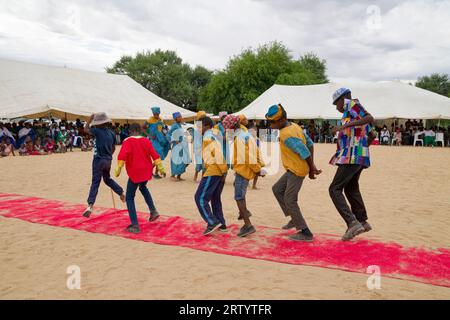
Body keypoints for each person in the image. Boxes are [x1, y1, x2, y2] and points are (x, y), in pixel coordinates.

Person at [266, 104, 322, 242]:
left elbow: (304, 151)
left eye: (273, 122)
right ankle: (293, 218)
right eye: (270, 122)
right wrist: (312, 165)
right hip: (294, 168)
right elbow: (309, 144)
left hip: (297, 170)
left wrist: (311, 170)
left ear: (282, 119)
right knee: (277, 189)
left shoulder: (286, 134)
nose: (271, 125)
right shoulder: (295, 126)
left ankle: (305, 232)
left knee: (290, 199)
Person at [329, 88, 374, 241]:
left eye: (336, 104)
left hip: (352, 155)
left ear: (343, 99)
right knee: (351, 187)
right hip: (357, 155)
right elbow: (372, 134)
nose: (337, 107)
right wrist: (363, 148)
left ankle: (352, 223)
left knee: (334, 189)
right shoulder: (350, 113)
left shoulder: (351, 104)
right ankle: (362, 221)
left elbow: (370, 118)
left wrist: (343, 128)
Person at [115, 123, 166, 233]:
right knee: (143, 188)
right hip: (146, 171)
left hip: (135, 172)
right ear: (140, 131)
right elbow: (155, 155)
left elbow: (122, 156)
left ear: (131, 131)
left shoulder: (127, 141)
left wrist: (118, 169)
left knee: (129, 197)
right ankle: (153, 211)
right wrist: (161, 168)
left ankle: (135, 225)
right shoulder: (146, 140)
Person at [222, 115, 265, 237]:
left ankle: (248, 225)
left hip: (243, 170)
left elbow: (247, 157)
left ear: (231, 127)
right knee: (239, 192)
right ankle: (244, 212)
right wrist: (260, 165)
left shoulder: (239, 138)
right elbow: (255, 150)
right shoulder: (246, 134)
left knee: (238, 197)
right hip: (243, 170)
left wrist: (257, 170)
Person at [82, 113, 125, 218]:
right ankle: (121, 193)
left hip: (98, 160)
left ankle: (90, 205)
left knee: (95, 182)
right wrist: (109, 156)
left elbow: (85, 129)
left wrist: (90, 119)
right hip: (108, 160)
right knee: (107, 179)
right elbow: (114, 148)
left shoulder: (96, 131)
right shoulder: (111, 133)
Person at [194, 116, 228, 235]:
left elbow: (217, 154)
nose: (199, 129)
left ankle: (212, 221)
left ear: (207, 126)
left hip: (214, 170)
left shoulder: (208, 137)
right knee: (215, 198)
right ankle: (221, 223)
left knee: (200, 198)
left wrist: (223, 170)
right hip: (217, 169)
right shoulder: (213, 135)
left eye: (200, 126)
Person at [145, 106, 170, 179]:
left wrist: (165, 135)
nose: (156, 115)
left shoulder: (161, 119)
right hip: (154, 140)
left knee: (159, 156)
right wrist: (149, 135)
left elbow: (162, 129)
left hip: (161, 139)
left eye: (157, 114)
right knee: (158, 156)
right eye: (155, 114)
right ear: (153, 113)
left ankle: (156, 172)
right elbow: (143, 128)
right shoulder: (149, 120)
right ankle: (149, 171)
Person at [167, 112, 191, 181]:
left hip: (182, 145)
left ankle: (179, 175)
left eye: (180, 116)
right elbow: (168, 134)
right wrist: (174, 140)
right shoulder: (174, 125)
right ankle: (173, 175)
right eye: (179, 117)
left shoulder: (179, 125)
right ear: (175, 118)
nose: (180, 118)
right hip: (176, 146)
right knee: (176, 160)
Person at [193, 111, 207, 182]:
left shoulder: (204, 124)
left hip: (204, 145)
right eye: (202, 117)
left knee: (204, 162)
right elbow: (197, 137)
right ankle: (195, 175)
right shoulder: (197, 125)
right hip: (199, 146)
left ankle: (202, 177)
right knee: (199, 162)